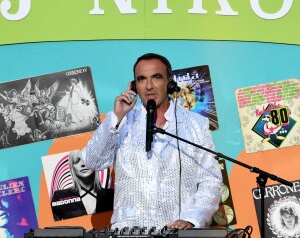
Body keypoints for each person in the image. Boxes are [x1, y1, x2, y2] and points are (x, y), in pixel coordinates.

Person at [81, 53, 222, 230]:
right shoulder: (121, 121)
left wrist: (192, 219)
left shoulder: (196, 124)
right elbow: (91, 160)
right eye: (141, 79)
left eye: (156, 77)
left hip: (178, 231)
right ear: (134, 85)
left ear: (169, 82)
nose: (149, 86)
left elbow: (211, 180)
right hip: (129, 230)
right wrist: (117, 116)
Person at [51, 149, 114, 220]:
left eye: (87, 159)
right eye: (77, 161)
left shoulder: (112, 195)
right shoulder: (60, 196)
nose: (83, 164)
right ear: (72, 167)